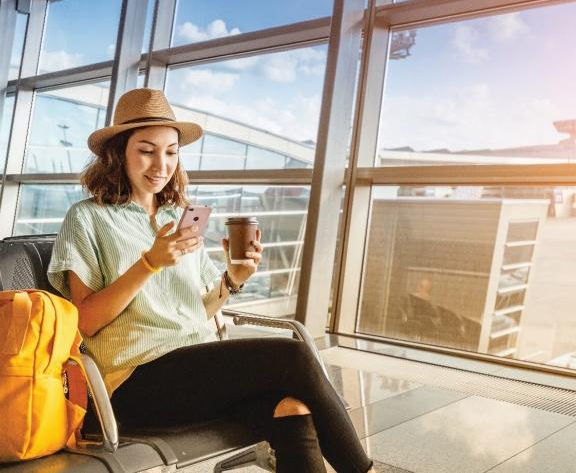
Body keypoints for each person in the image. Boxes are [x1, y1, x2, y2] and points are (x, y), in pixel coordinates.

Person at [47, 88, 374, 473]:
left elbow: (195, 311)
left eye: (171, 152)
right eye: (147, 150)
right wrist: (148, 264)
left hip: (192, 367)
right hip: (134, 380)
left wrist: (232, 281)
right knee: (294, 355)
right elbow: (85, 321)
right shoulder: (86, 218)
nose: (161, 163)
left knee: (293, 410)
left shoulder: (178, 214)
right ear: (119, 152)